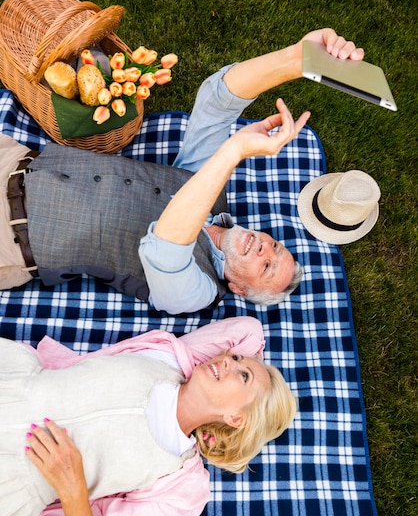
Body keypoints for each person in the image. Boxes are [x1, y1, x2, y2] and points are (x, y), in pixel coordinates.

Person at [1, 28, 364, 314]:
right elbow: (217, 102)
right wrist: (296, 58)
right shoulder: (214, 192)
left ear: (239, 289)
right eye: (276, 248)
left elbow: (164, 247)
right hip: (17, 158)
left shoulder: (197, 292)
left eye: (267, 266)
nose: (265, 249)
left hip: (10, 240)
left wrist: (235, 150)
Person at [0, 316, 297, 516]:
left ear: (236, 418)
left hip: (10, 479)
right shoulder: (167, 358)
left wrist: (72, 488)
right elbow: (248, 331)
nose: (229, 361)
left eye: (243, 376)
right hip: (11, 382)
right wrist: (249, 374)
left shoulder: (181, 490)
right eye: (235, 358)